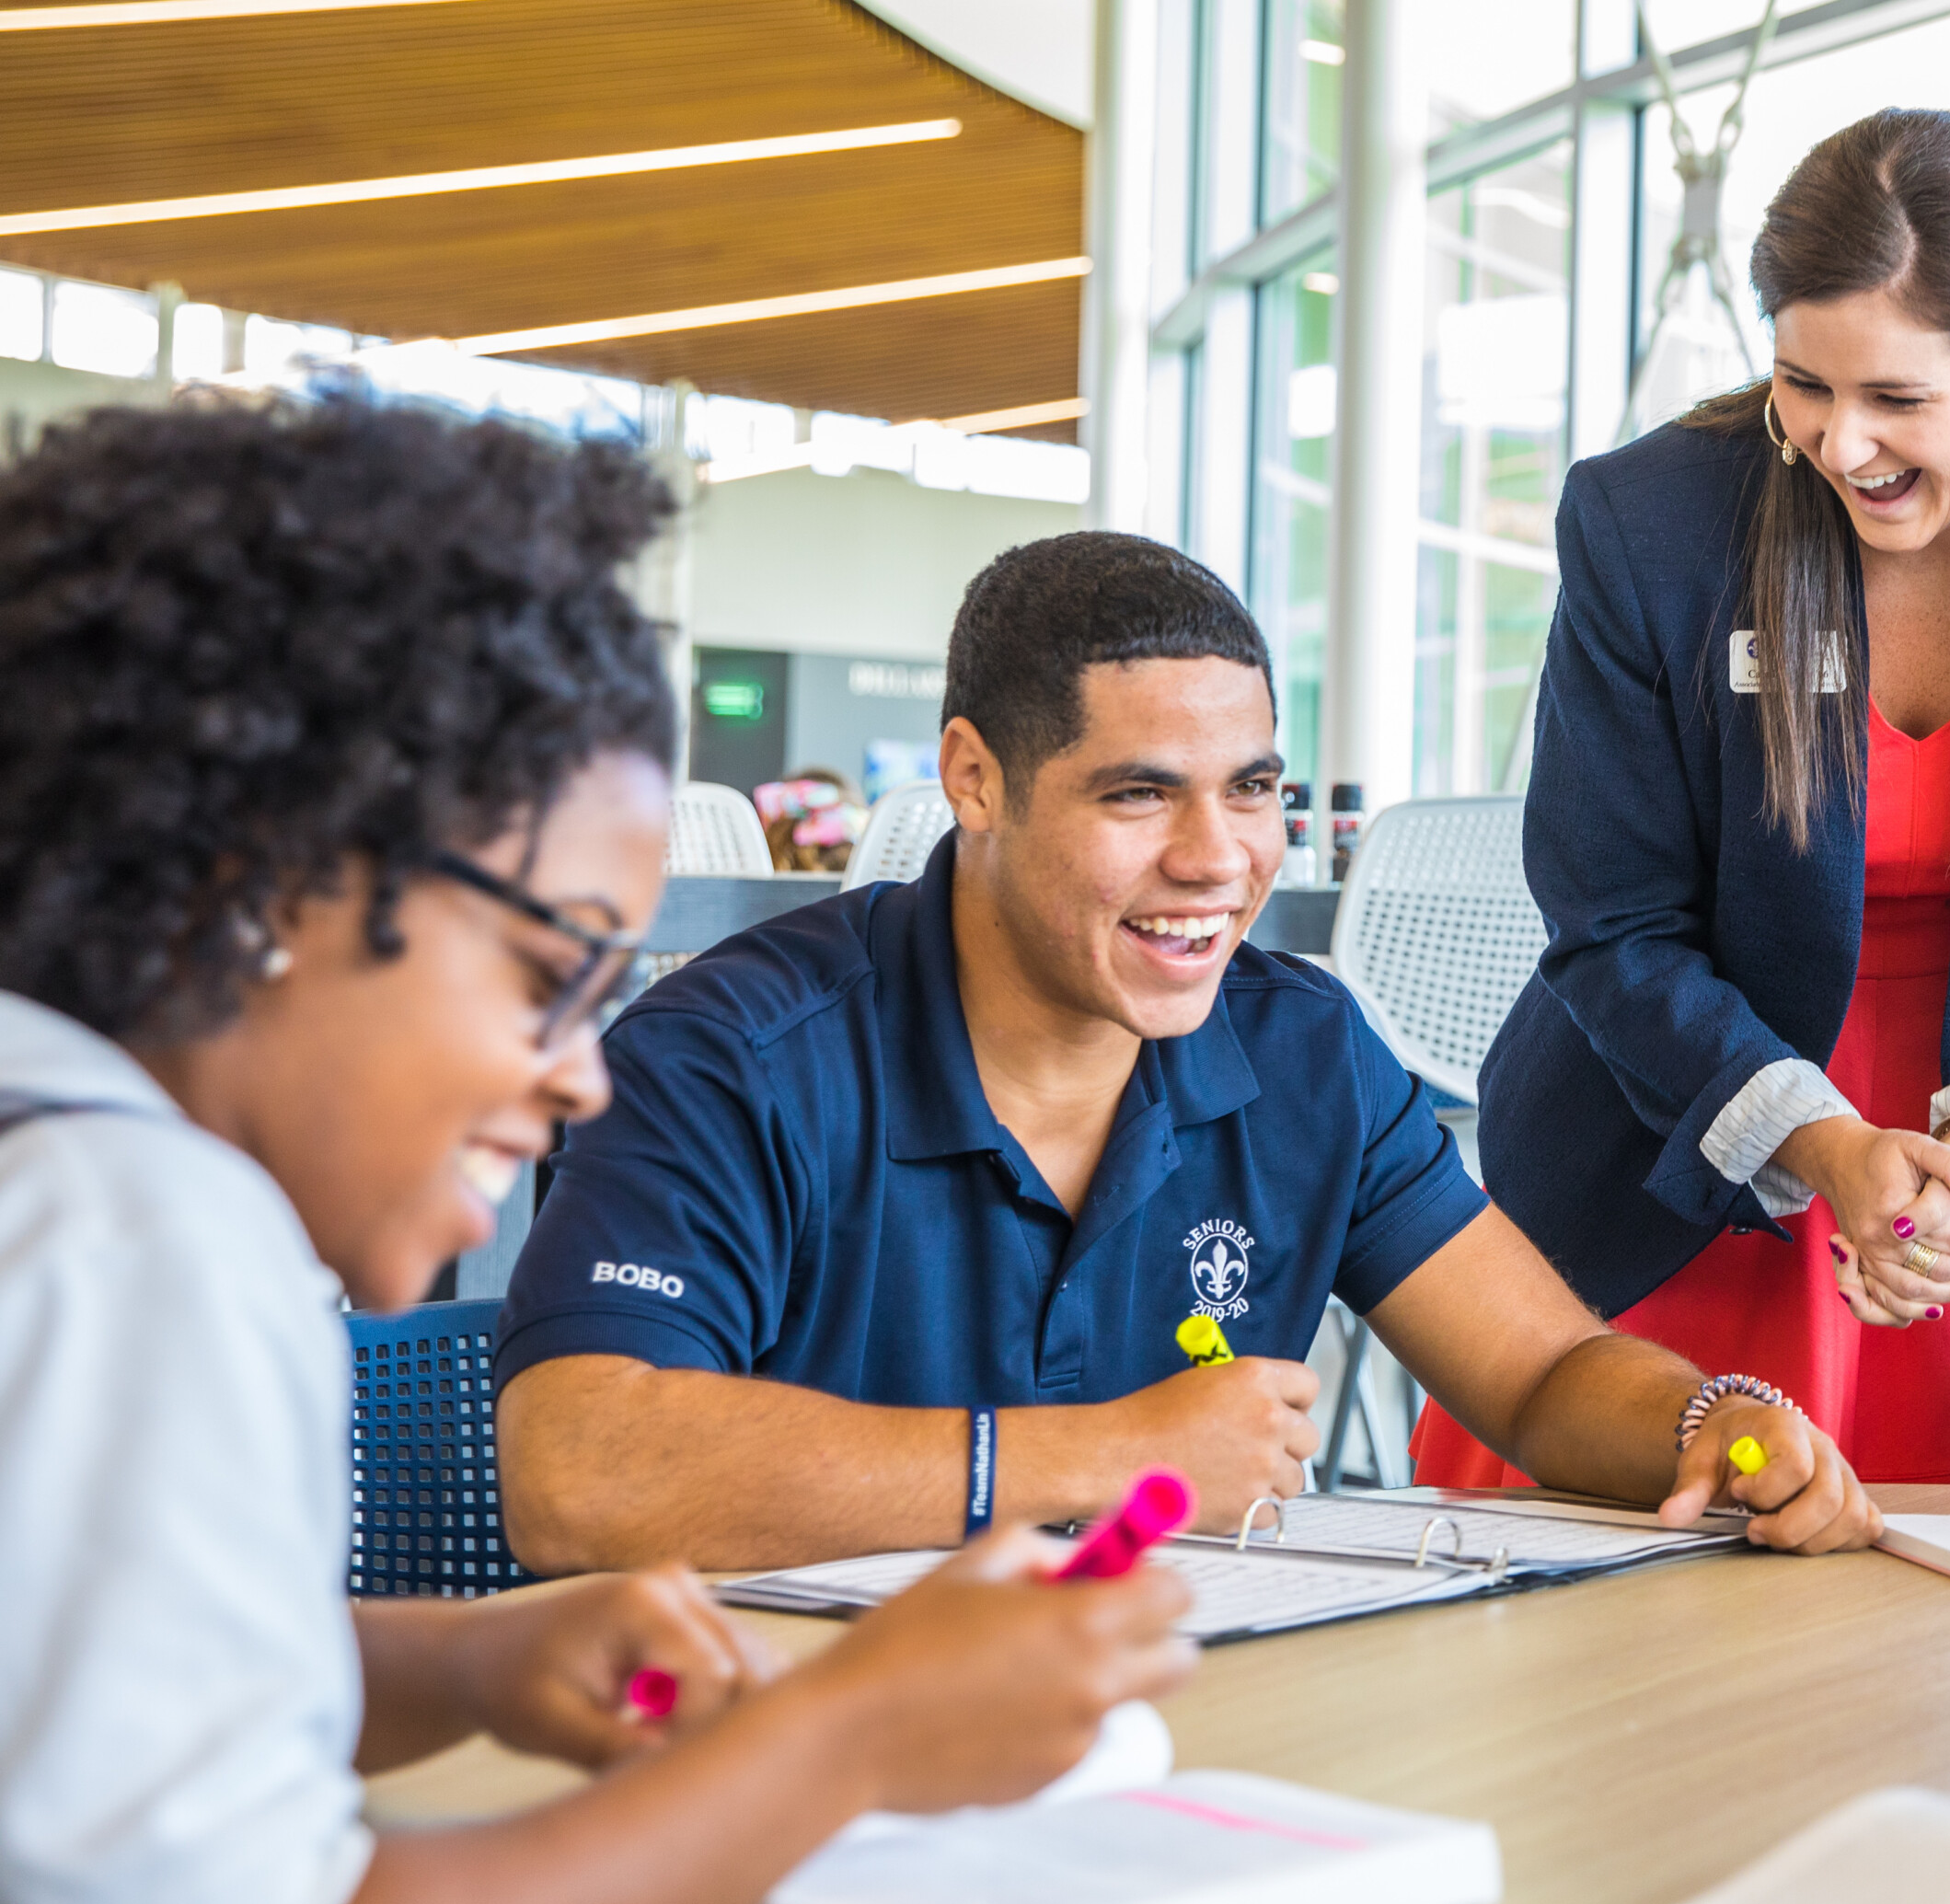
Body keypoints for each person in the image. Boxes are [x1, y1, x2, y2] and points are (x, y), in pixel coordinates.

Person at [0, 392, 1191, 1904]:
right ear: (266, 888)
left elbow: (85, 1685)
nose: (584, 1075)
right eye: (552, 975)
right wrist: (847, 1738)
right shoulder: (132, 1234)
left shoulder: (61, 1172)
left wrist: (465, 1654)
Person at [494, 531, 1877, 1573]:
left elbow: (1540, 1375)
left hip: (1175, 1732)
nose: (1218, 860)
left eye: (1254, 790)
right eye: (1139, 794)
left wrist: (1713, 1422)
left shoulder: (1302, 1048)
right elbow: (577, 1469)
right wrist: (1116, 1461)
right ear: (973, 778)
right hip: (796, 1772)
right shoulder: (732, 1058)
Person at [1428, 107, 1950, 1491]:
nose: (1838, 444)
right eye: (1804, 385)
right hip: (1682, 1159)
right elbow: (1612, 918)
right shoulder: (1654, 524)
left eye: (1896, 399)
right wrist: (1823, 1149)